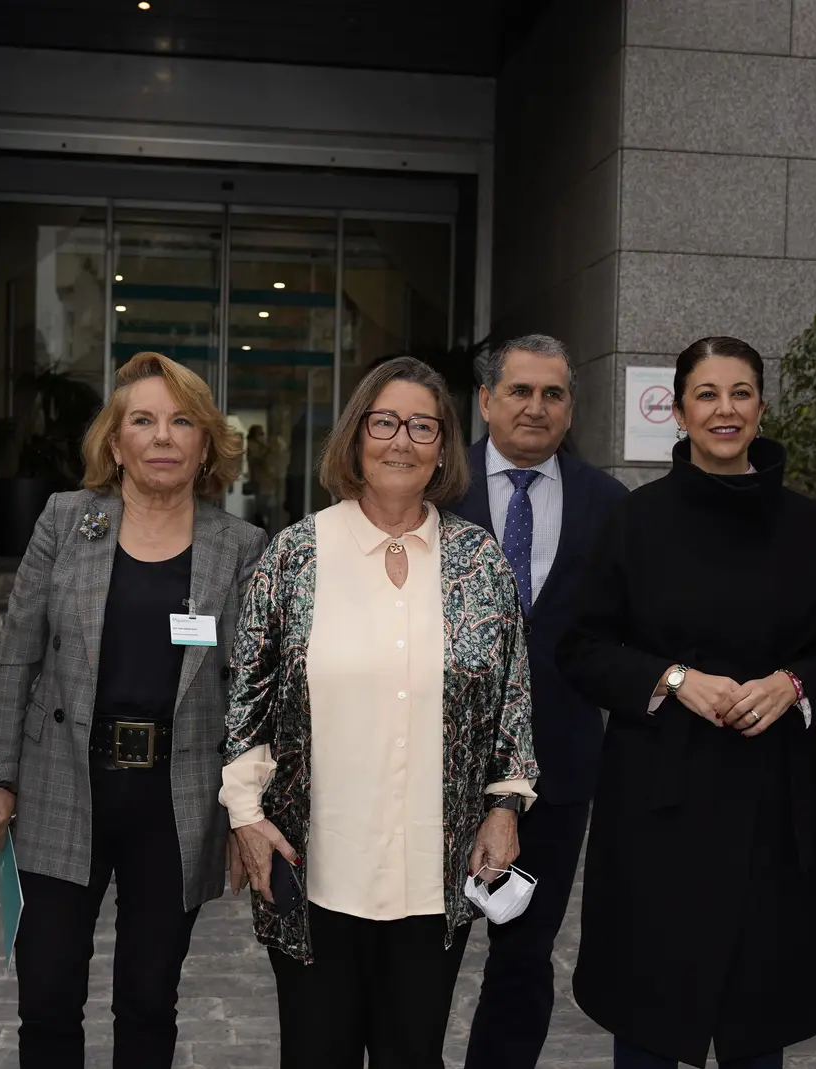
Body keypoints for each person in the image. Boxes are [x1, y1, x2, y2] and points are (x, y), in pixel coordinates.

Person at [221, 356, 539, 1068]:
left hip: (433, 874)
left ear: (442, 447)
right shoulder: (296, 554)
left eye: (422, 425)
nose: (402, 439)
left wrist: (504, 806)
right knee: (316, 1053)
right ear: (357, 436)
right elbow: (248, 695)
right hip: (315, 869)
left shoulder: (478, 560)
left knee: (412, 1054)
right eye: (385, 421)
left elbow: (512, 698)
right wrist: (246, 815)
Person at [558, 336, 816, 1069]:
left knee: (758, 1024)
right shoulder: (636, 521)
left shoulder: (805, 525)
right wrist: (672, 680)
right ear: (680, 410)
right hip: (658, 805)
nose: (725, 409)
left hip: (773, 804)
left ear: (761, 405)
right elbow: (583, 648)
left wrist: (792, 685)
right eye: (707, 394)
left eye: (741, 393)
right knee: (651, 1018)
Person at [0, 351, 266, 1067]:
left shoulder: (242, 547)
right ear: (115, 440)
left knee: (146, 1000)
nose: (162, 436)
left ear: (206, 445)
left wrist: (244, 808)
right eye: (143, 420)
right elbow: (18, 653)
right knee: (44, 999)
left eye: (181, 421)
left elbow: (251, 691)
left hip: (177, 798)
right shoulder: (66, 520)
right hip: (61, 784)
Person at [448, 333, 627, 1069]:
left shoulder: (609, 503)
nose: (536, 406)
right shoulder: (434, 490)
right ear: (486, 400)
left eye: (553, 393)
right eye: (519, 390)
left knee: (522, 957)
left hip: (556, 776)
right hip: (439, 771)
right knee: (423, 954)